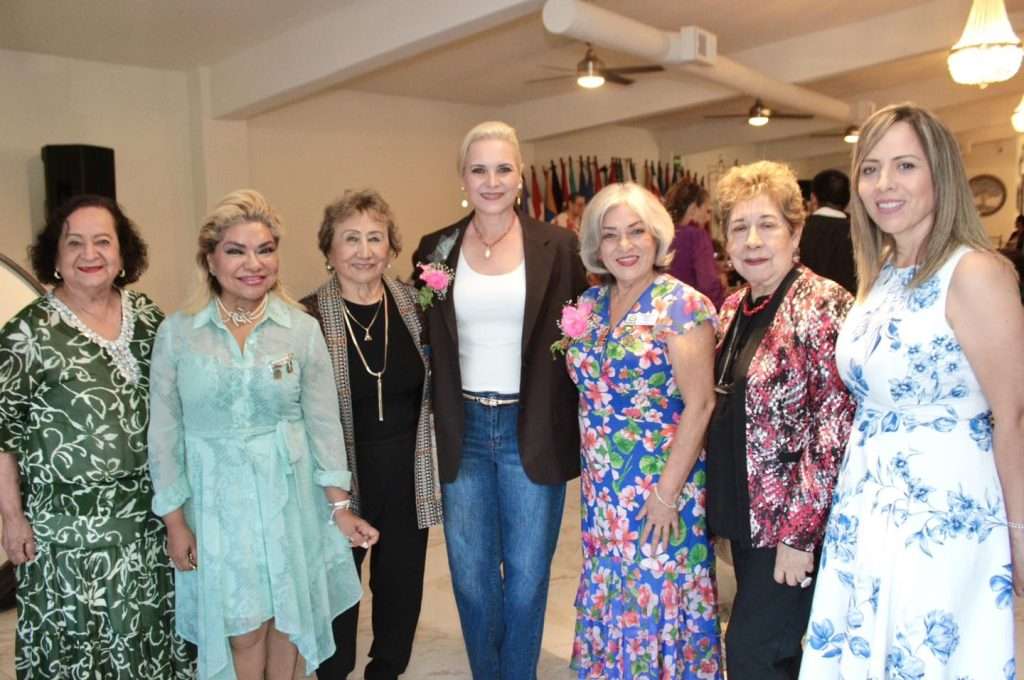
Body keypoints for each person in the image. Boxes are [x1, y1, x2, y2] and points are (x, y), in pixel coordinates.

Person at [800, 104, 1024, 679]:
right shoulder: (882, 272)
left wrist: (1020, 536)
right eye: (870, 169)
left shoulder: (974, 272)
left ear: (940, 174)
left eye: (905, 165)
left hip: (941, 517)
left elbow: (1015, 416)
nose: (885, 184)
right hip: (867, 506)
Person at [148, 189, 378, 680]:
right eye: (236, 251)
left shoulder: (299, 329)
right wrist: (174, 520)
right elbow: (164, 433)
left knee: (288, 623)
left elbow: (323, 423)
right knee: (243, 628)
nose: (253, 264)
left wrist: (339, 507)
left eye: (265, 250)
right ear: (210, 259)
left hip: (288, 499)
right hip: (216, 506)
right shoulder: (178, 333)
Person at [411, 121, 587, 679]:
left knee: (529, 575)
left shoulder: (560, 247)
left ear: (521, 176)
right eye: (479, 169)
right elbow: (424, 335)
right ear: (462, 178)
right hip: (462, 425)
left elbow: (588, 331)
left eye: (503, 168)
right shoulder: (435, 249)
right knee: (470, 576)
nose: (492, 181)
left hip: (530, 425)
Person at [0, 194, 194, 678]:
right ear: (55, 256)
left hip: (147, 528)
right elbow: (2, 436)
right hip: (65, 540)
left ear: (123, 253)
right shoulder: (26, 334)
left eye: (103, 242)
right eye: (75, 243)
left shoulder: (147, 317)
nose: (90, 254)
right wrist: (12, 519)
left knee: (150, 647)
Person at [563, 182, 722, 679]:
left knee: (657, 599)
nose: (624, 245)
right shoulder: (590, 304)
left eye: (636, 232)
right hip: (603, 495)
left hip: (660, 490)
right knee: (614, 596)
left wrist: (666, 495)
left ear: (657, 237)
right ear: (597, 244)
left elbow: (701, 404)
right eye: (611, 235)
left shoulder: (682, 306)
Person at [705, 162, 854, 679]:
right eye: (739, 227)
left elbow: (833, 426)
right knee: (771, 654)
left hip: (789, 524)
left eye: (767, 225)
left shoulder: (823, 303)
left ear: (796, 231)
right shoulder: (732, 308)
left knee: (753, 653)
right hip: (745, 518)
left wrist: (799, 536)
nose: (752, 241)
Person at [301, 189, 442, 680]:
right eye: (351, 238)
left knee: (401, 591)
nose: (364, 251)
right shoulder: (306, 318)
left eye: (375, 238)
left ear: (391, 246)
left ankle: (387, 671)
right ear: (328, 248)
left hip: (406, 475)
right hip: (337, 481)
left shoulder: (416, 309)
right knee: (337, 597)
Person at [665, 180, 726, 309]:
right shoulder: (696, 236)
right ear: (693, 208)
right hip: (691, 311)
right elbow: (708, 284)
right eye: (707, 211)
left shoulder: (661, 236)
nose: (708, 218)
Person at [798, 169, 856, 294]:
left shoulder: (798, 230)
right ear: (847, 200)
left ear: (813, 198)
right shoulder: (861, 234)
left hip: (804, 301)